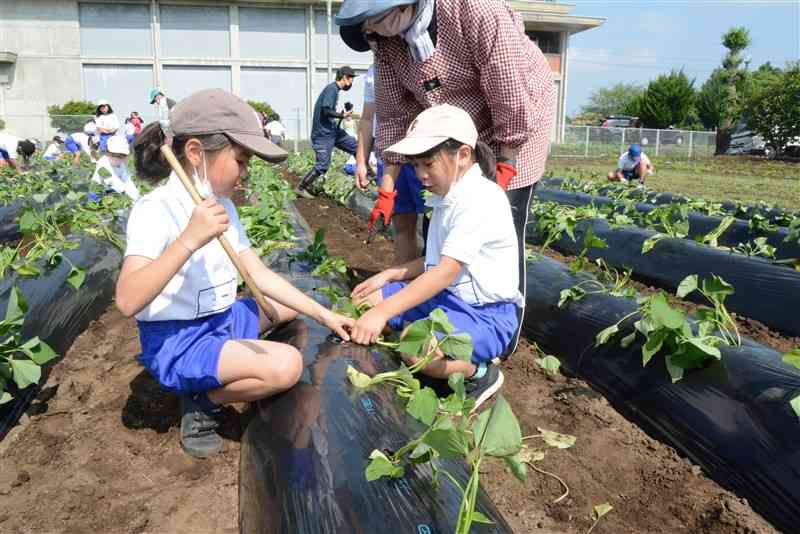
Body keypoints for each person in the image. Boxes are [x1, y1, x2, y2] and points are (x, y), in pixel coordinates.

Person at [117, 89, 354, 458]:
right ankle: (202, 402)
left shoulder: (222, 205)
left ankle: (228, 363)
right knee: (287, 366)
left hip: (219, 321)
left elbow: (257, 274)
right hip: (180, 341)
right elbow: (128, 299)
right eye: (241, 161)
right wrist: (189, 240)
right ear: (195, 154)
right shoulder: (155, 210)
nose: (245, 173)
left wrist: (324, 313)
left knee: (284, 303)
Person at [336, 0, 556, 356]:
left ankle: (500, 344)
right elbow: (392, 116)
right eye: (367, 32)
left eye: (373, 25)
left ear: (402, 6)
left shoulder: (476, 11)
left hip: (516, 125)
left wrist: (502, 169)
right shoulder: (387, 42)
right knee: (442, 230)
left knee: (500, 231)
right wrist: (388, 185)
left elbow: (509, 94)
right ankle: (439, 306)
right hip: (448, 138)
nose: (372, 35)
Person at [349, 105, 519, 407]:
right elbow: (432, 262)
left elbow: (444, 272)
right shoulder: (448, 195)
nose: (421, 175)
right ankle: (413, 330)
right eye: (415, 166)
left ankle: (480, 373)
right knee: (366, 299)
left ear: (463, 155)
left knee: (414, 346)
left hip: (485, 314)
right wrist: (389, 275)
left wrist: (384, 312)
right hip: (446, 299)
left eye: (428, 164)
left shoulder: (479, 199)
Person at [355, 63, 424, 261]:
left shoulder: (420, 57)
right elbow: (368, 118)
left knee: (435, 219)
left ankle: (434, 284)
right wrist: (361, 161)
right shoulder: (373, 71)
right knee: (402, 221)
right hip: (390, 151)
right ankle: (406, 282)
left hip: (422, 152)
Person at [295, 66, 359, 198]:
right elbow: (326, 111)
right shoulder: (332, 89)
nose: (352, 82)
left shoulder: (334, 90)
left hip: (333, 131)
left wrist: (341, 114)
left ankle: (367, 178)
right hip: (323, 134)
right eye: (351, 78)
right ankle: (301, 188)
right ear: (345, 77)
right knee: (322, 165)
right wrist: (342, 116)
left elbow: (329, 112)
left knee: (357, 148)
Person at [92, 135, 140, 201]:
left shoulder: (121, 164)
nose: (118, 159)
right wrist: (127, 193)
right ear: (107, 153)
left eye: (122, 156)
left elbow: (127, 179)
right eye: (115, 155)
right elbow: (110, 181)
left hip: (112, 190)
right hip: (97, 192)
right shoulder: (102, 164)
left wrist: (136, 195)